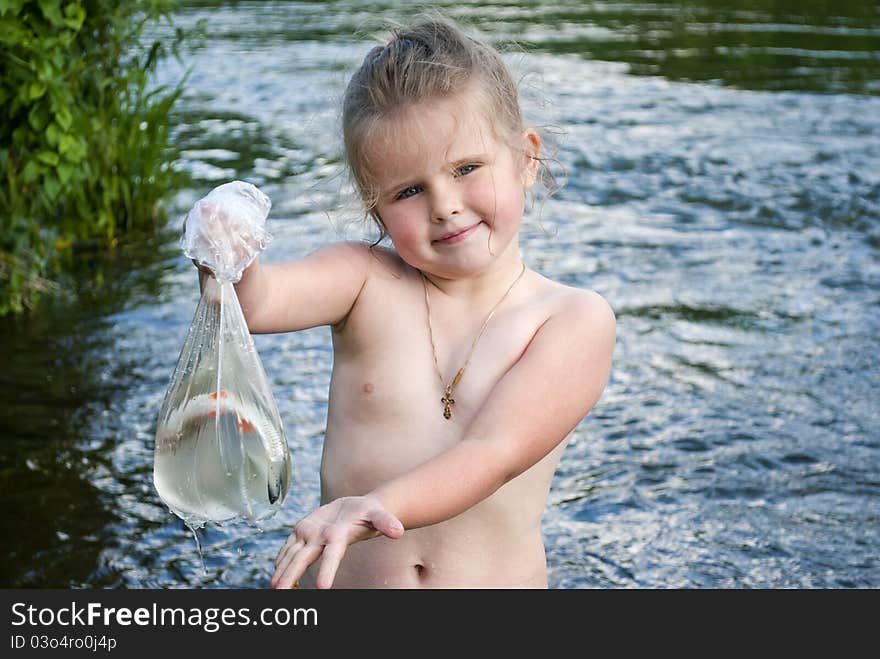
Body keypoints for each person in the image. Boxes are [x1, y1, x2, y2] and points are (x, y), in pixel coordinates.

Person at [194, 14, 615, 588]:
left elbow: (494, 451)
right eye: (409, 191)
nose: (444, 205)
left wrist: (368, 506)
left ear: (526, 159)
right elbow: (259, 304)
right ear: (377, 210)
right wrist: (228, 251)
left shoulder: (571, 320)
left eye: (467, 168)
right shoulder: (362, 279)